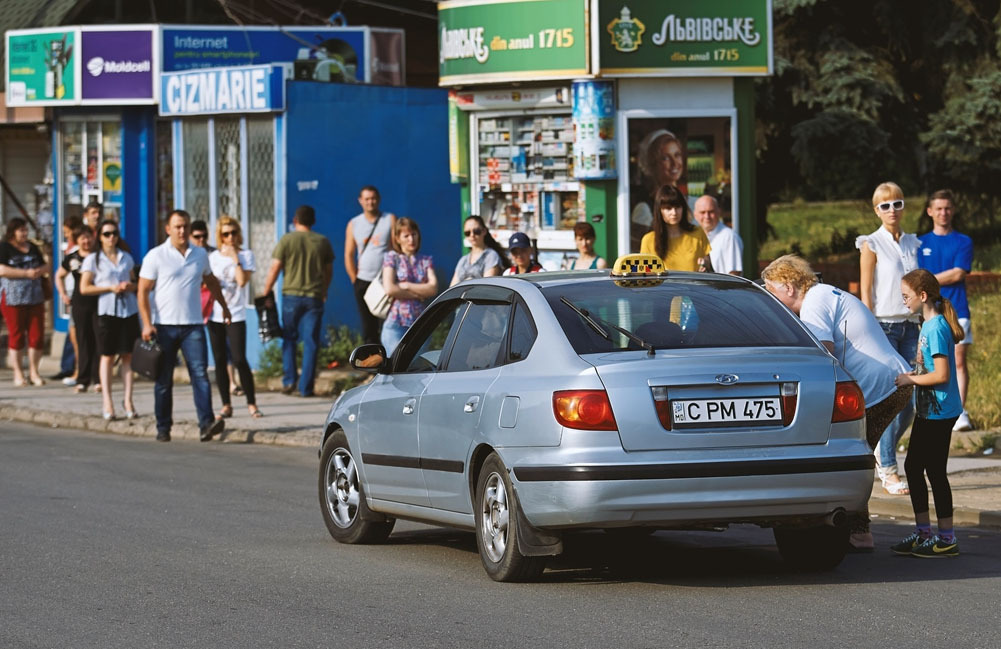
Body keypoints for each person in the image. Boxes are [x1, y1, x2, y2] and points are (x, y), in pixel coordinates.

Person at [761, 254, 913, 550]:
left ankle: (859, 532)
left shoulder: (814, 304)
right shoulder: (827, 293)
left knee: (856, 455)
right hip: (894, 380)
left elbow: (823, 356)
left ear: (789, 286)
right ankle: (859, 531)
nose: (771, 298)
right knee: (860, 452)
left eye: (771, 290)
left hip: (881, 387)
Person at [138, 209, 231, 443]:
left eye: (185, 226)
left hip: (193, 326)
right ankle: (163, 426)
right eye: (177, 226)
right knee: (164, 379)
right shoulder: (156, 255)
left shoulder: (199, 254)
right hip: (164, 326)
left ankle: (206, 424)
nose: (182, 231)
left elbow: (211, 282)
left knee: (199, 375)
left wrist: (224, 307)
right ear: (168, 229)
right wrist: (147, 324)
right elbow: (143, 291)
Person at [891, 268, 966, 557]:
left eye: (906, 296)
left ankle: (946, 538)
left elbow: (942, 375)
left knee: (934, 471)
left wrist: (911, 379)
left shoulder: (935, 328)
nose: (904, 302)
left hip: (940, 411)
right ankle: (924, 532)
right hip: (929, 410)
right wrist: (915, 373)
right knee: (912, 467)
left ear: (923, 296)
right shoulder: (928, 323)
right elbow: (931, 370)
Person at [856, 182, 921, 495]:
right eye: (885, 206)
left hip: (912, 325)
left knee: (912, 400)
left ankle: (883, 452)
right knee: (894, 395)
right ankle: (889, 468)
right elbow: (865, 291)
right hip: (884, 327)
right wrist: (868, 329)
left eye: (897, 203)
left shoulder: (912, 242)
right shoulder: (871, 243)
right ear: (876, 210)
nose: (892, 210)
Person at [261, 205, 335, 397]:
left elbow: (275, 268)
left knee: (289, 338)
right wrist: (324, 290)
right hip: (314, 297)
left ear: (295, 220)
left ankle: (289, 380)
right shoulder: (322, 242)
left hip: (291, 296)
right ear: (313, 221)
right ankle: (306, 387)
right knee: (310, 342)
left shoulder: (287, 239)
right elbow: (328, 271)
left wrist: (266, 292)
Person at [917, 190, 974, 432]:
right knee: (930, 363)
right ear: (930, 211)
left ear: (953, 210)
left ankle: (960, 412)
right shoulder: (920, 243)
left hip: (957, 309)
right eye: (938, 208)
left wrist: (927, 282)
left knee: (958, 361)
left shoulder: (963, 241)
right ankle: (934, 410)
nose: (943, 213)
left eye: (947, 208)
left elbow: (958, 272)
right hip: (928, 313)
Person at [80, 220, 140, 420]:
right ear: (100, 236)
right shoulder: (93, 260)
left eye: (114, 233)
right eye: (106, 234)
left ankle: (128, 400)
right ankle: (107, 401)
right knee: (107, 355)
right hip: (106, 310)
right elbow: (84, 287)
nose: (111, 237)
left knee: (127, 356)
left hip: (127, 310)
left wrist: (128, 286)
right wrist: (109, 288)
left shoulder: (126, 257)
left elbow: (135, 282)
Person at [207, 216, 261, 418]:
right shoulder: (213, 258)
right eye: (225, 234)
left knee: (239, 359)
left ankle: (251, 403)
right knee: (220, 359)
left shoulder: (246, 255)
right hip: (215, 313)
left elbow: (241, 282)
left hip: (236, 312)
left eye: (233, 233)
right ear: (220, 236)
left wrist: (234, 258)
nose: (230, 237)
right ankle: (226, 404)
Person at [0, 218, 50, 387]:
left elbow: (46, 266)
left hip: (35, 295)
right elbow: (1, 270)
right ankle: (18, 373)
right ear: (12, 232)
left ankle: (34, 371)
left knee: (37, 335)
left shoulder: (32, 247)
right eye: (21, 230)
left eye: (25, 230)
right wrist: (25, 273)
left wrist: (39, 271)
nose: (24, 233)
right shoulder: (5, 247)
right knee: (17, 335)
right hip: (13, 297)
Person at [380, 217, 437, 356]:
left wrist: (405, 285)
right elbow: (390, 288)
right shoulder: (392, 257)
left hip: (419, 325)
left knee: (415, 368)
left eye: (414, 234)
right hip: (396, 323)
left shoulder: (425, 260)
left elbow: (433, 288)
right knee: (395, 366)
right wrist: (419, 293)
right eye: (406, 236)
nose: (411, 239)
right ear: (398, 239)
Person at [345, 186, 395, 345]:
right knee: (368, 326)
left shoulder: (390, 219)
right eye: (366, 199)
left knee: (389, 323)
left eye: (373, 198)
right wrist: (354, 279)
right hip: (363, 280)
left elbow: (396, 249)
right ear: (360, 201)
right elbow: (348, 254)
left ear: (378, 199)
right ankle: (371, 364)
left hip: (385, 281)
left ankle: (390, 362)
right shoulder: (354, 224)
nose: (370, 202)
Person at [58, 225, 100, 393]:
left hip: (98, 302)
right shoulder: (72, 258)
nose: (86, 241)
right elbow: (59, 276)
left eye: (88, 237)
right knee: (82, 341)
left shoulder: (100, 256)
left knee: (98, 341)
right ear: (77, 241)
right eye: (82, 238)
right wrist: (63, 295)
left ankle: (98, 379)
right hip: (80, 304)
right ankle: (83, 379)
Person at [631, 129, 686, 251]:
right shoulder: (644, 209)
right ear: (652, 163)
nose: (674, 163)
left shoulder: (691, 201)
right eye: (665, 158)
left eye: (677, 155)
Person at [639, 185, 713, 272]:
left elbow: (708, 266)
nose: (674, 212)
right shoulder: (649, 240)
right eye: (668, 208)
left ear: (683, 208)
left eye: (677, 207)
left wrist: (705, 267)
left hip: (693, 285)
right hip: (664, 286)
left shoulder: (697, 233)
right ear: (659, 211)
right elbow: (645, 273)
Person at [50, 215, 83, 383]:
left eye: (68, 232)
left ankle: (79, 370)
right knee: (74, 333)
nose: (66, 236)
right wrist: (63, 293)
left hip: (85, 296)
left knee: (78, 334)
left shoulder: (87, 250)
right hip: (73, 294)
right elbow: (59, 275)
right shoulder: (72, 252)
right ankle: (72, 368)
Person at [450, 216, 507, 286]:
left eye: (476, 231)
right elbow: (452, 288)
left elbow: (487, 286)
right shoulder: (463, 260)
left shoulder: (491, 256)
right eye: (467, 233)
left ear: (484, 231)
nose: (472, 235)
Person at [693, 195, 743, 276]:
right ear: (695, 215)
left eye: (711, 212)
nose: (707, 216)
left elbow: (734, 275)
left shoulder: (729, 237)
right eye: (703, 212)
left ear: (718, 212)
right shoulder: (693, 237)